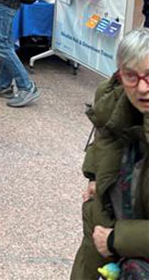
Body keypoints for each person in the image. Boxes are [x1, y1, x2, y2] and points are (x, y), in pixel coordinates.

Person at [70, 28, 149, 279]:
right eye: (131, 77)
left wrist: (117, 239)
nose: (142, 88)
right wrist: (94, 175)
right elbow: (104, 131)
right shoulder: (115, 99)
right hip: (102, 229)